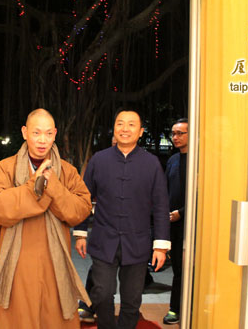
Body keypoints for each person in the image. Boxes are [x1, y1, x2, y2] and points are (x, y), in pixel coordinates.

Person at [0, 108, 92, 328]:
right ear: (24, 133)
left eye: (48, 134)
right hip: (18, 262)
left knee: (57, 317)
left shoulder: (67, 172)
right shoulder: (6, 168)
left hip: (55, 260)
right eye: (36, 133)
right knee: (20, 319)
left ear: (55, 134)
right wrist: (34, 188)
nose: (42, 140)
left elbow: (81, 209)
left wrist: (54, 187)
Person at [74, 107, 171, 329]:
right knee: (102, 294)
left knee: (132, 299)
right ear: (114, 128)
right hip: (103, 240)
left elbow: (160, 205)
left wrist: (161, 246)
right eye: (120, 123)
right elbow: (83, 198)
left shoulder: (152, 163)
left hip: (137, 244)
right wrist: (80, 232)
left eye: (131, 124)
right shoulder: (99, 160)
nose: (124, 128)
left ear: (140, 131)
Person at [163, 118, 188, 325]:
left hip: (192, 222)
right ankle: (175, 308)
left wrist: (182, 212)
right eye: (174, 133)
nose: (176, 137)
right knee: (178, 268)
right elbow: (165, 191)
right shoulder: (172, 160)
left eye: (181, 133)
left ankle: (183, 307)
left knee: (192, 268)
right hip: (173, 223)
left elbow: (202, 196)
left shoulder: (199, 161)